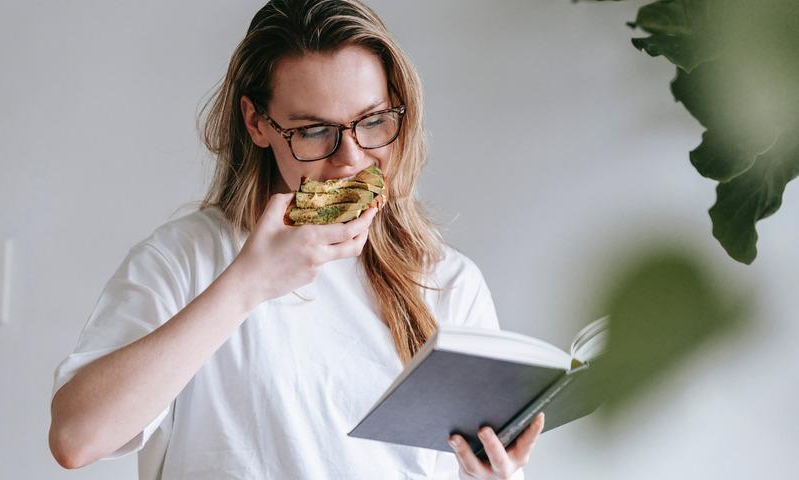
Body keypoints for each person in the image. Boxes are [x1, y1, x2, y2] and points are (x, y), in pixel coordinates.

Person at [48, 1, 544, 478]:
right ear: (257, 123)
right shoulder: (184, 259)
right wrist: (246, 285)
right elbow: (77, 439)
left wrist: (494, 473)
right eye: (314, 132)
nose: (350, 157)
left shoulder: (448, 281)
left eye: (373, 122)